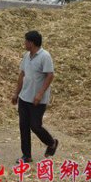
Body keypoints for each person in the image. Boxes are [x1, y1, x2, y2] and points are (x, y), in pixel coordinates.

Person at [11, 31, 58, 163]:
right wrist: (16, 93)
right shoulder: (27, 56)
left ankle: (51, 142)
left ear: (32, 43)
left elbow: (50, 75)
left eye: (26, 41)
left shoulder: (45, 56)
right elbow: (22, 74)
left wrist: (40, 94)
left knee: (35, 126)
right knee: (23, 126)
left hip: (38, 100)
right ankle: (26, 155)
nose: (24, 43)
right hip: (24, 97)